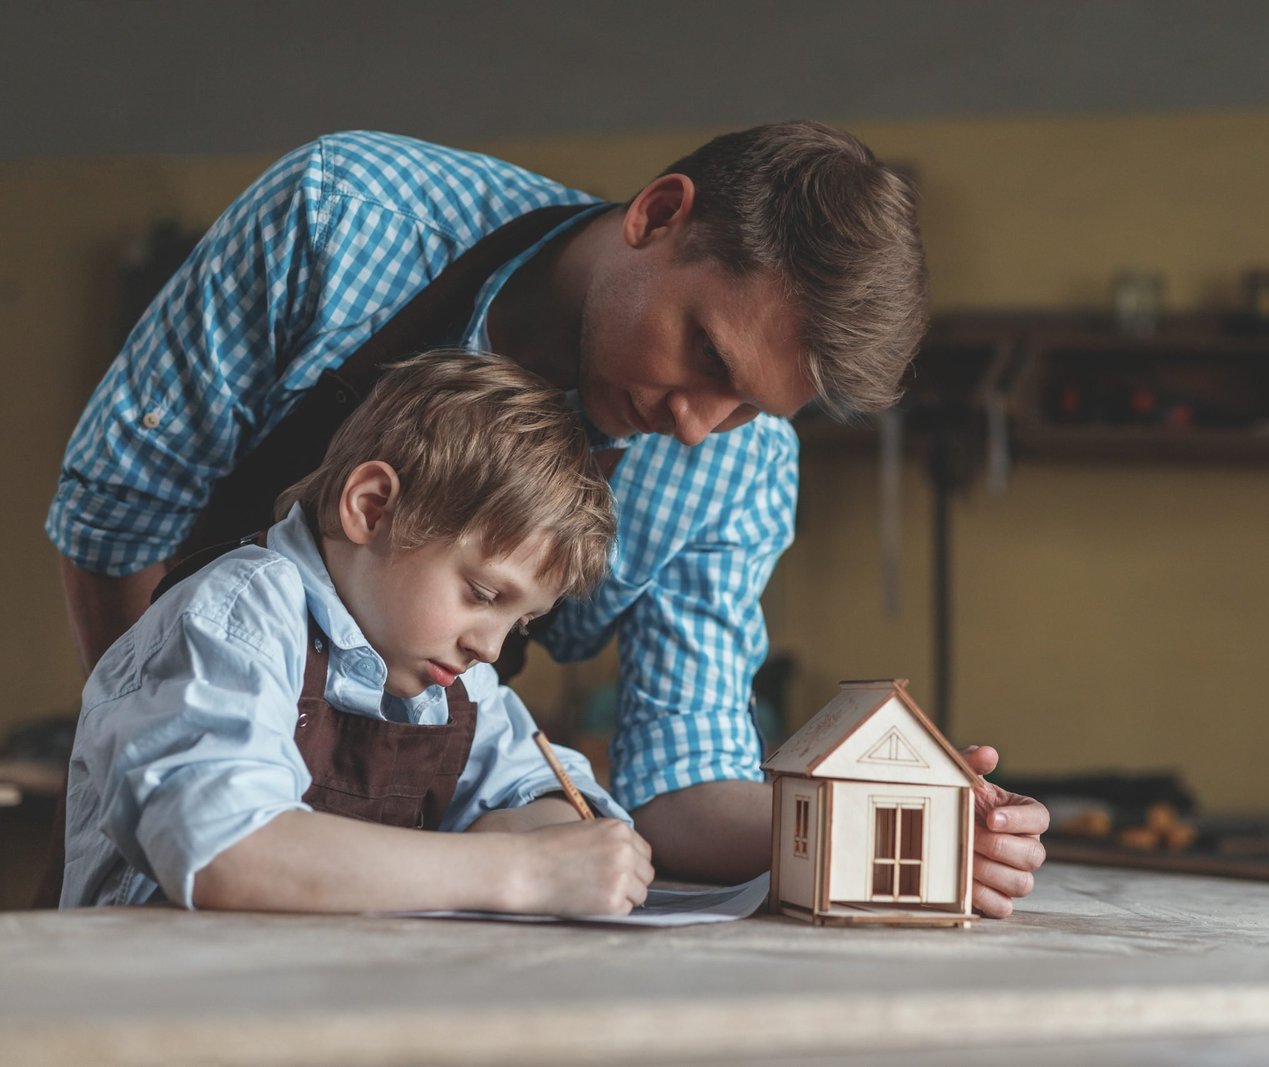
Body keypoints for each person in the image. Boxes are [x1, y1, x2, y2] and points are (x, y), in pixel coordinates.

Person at [49, 122, 1047, 914]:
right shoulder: (344, 215)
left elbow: (677, 778)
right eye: (708, 358)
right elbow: (118, 520)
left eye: (751, 408)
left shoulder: (729, 477)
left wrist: (881, 829)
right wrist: (167, 743)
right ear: (660, 214)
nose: (701, 430)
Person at [62, 353, 654, 914]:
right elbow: (227, 854)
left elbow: (555, 801)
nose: (490, 648)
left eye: (520, 622)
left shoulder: (447, 682)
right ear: (371, 509)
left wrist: (539, 838)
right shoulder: (239, 613)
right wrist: (517, 869)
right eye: (483, 595)